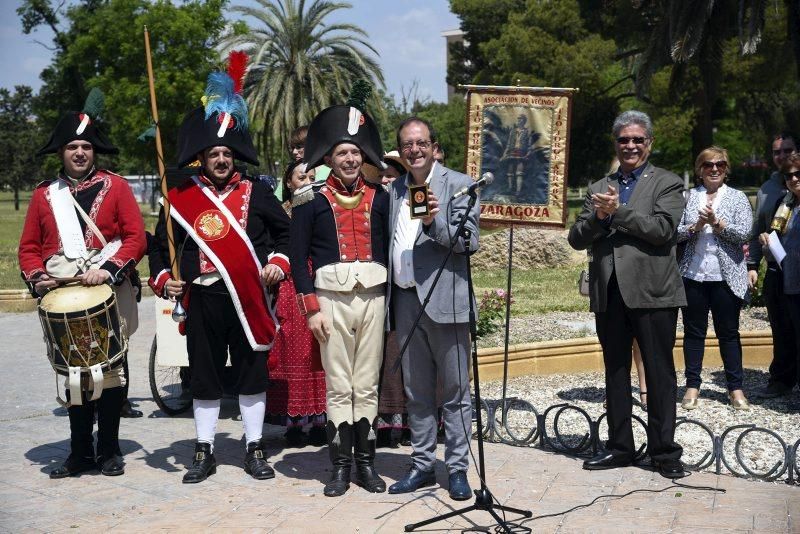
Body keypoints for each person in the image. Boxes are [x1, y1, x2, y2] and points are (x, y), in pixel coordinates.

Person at [148, 57, 291, 483]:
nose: (222, 159)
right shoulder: (180, 198)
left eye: (228, 153)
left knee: (251, 375)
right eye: (215, 153)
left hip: (247, 296)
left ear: (235, 156)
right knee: (205, 378)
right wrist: (162, 279)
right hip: (203, 297)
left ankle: (253, 446)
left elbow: (285, 237)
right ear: (203, 158)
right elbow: (159, 248)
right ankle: (204, 448)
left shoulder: (258, 193)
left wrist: (278, 266)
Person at [19, 95, 147, 478]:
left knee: (110, 372)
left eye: (86, 146)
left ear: (95, 151)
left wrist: (107, 269)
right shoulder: (45, 195)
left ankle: (108, 450)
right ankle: (79, 453)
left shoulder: (118, 187)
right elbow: (27, 248)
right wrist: (39, 276)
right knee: (75, 372)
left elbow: (135, 238)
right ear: (61, 151)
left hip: (108, 287)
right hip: (63, 294)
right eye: (72, 147)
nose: (79, 153)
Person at [567, 110, 686, 479]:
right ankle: (620, 447)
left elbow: (662, 230)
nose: (630, 146)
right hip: (610, 294)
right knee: (615, 371)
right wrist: (600, 218)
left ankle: (664, 452)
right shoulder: (599, 185)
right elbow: (576, 237)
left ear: (648, 143)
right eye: (623, 140)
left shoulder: (667, 183)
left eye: (637, 140)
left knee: (659, 373)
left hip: (653, 294)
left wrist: (616, 213)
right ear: (615, 143)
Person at [289, 84, 390, 497]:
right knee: (339, 384)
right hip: (329, 300)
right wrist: (311, 308)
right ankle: (339, 467)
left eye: (355, 153)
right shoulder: (309, 200)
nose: (350, 160)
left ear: (363, 157)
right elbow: (297, 260)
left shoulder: (381, 198)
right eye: (341, 153)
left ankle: (367, 464)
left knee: (366, 384)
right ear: (328, 159)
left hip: (374, 298)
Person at [386, 117, 478, 501]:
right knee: (417, 392)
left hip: (446, 302)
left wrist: (432, 221)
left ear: (434, 146)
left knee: (456, 392)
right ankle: (422, 464)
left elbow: (468, 242)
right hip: (405, 302)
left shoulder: (459, 184)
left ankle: (457, 469)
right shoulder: (393, 189)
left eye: (421, 143)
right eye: (407, 145)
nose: (414, 150)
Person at [677, 146, 753, 410]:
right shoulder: (688, 197)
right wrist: (695, 226)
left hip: (726, 275)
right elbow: (674, 234)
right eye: (708, 165)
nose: (714, 169)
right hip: (693, 274)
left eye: (720, 164)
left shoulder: (738, 197)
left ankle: (735, 388)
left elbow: (744, 233)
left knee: (729, 333)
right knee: (693, 333)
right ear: (700, 170)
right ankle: (692, 385)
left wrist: (717, 223)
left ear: (726, 169)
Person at [266, 161, 327, 447]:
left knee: (318, 352)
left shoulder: (322, 207)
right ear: (288, 183)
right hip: (288, 288)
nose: (307, 182)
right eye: (302, 177)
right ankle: (292, 422)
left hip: (317, 284)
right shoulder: (279, 214)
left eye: (313, 177)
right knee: (291, 352)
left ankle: (319, 421)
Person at [749, 133, 798, 398]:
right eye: (777, 152)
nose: (782, 156)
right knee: (780, 328)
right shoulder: (767, 189)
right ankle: (781, 380)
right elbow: (758, 227)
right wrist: (752, 263)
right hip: (778, 270)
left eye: (787, 150)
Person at [759, 154, 800, 393]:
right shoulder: (783, 204)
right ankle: (782, 381)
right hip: (784, 278)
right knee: (784, 332)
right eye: (789, 175)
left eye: (798, 173)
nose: (794, 179)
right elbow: (774, 245)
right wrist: (766, 242)